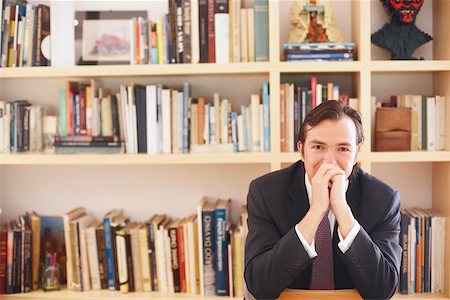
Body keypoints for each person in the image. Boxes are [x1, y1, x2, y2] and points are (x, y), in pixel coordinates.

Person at [244, 101, 402, 299]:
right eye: (318, 147)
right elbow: (259, 285)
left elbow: (382, 290)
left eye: (343, 149)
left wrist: (343, 212)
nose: (330, 161)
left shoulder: (383, 199)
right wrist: (315, 213)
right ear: (301, 150)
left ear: (356, 154)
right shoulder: (265, 192)